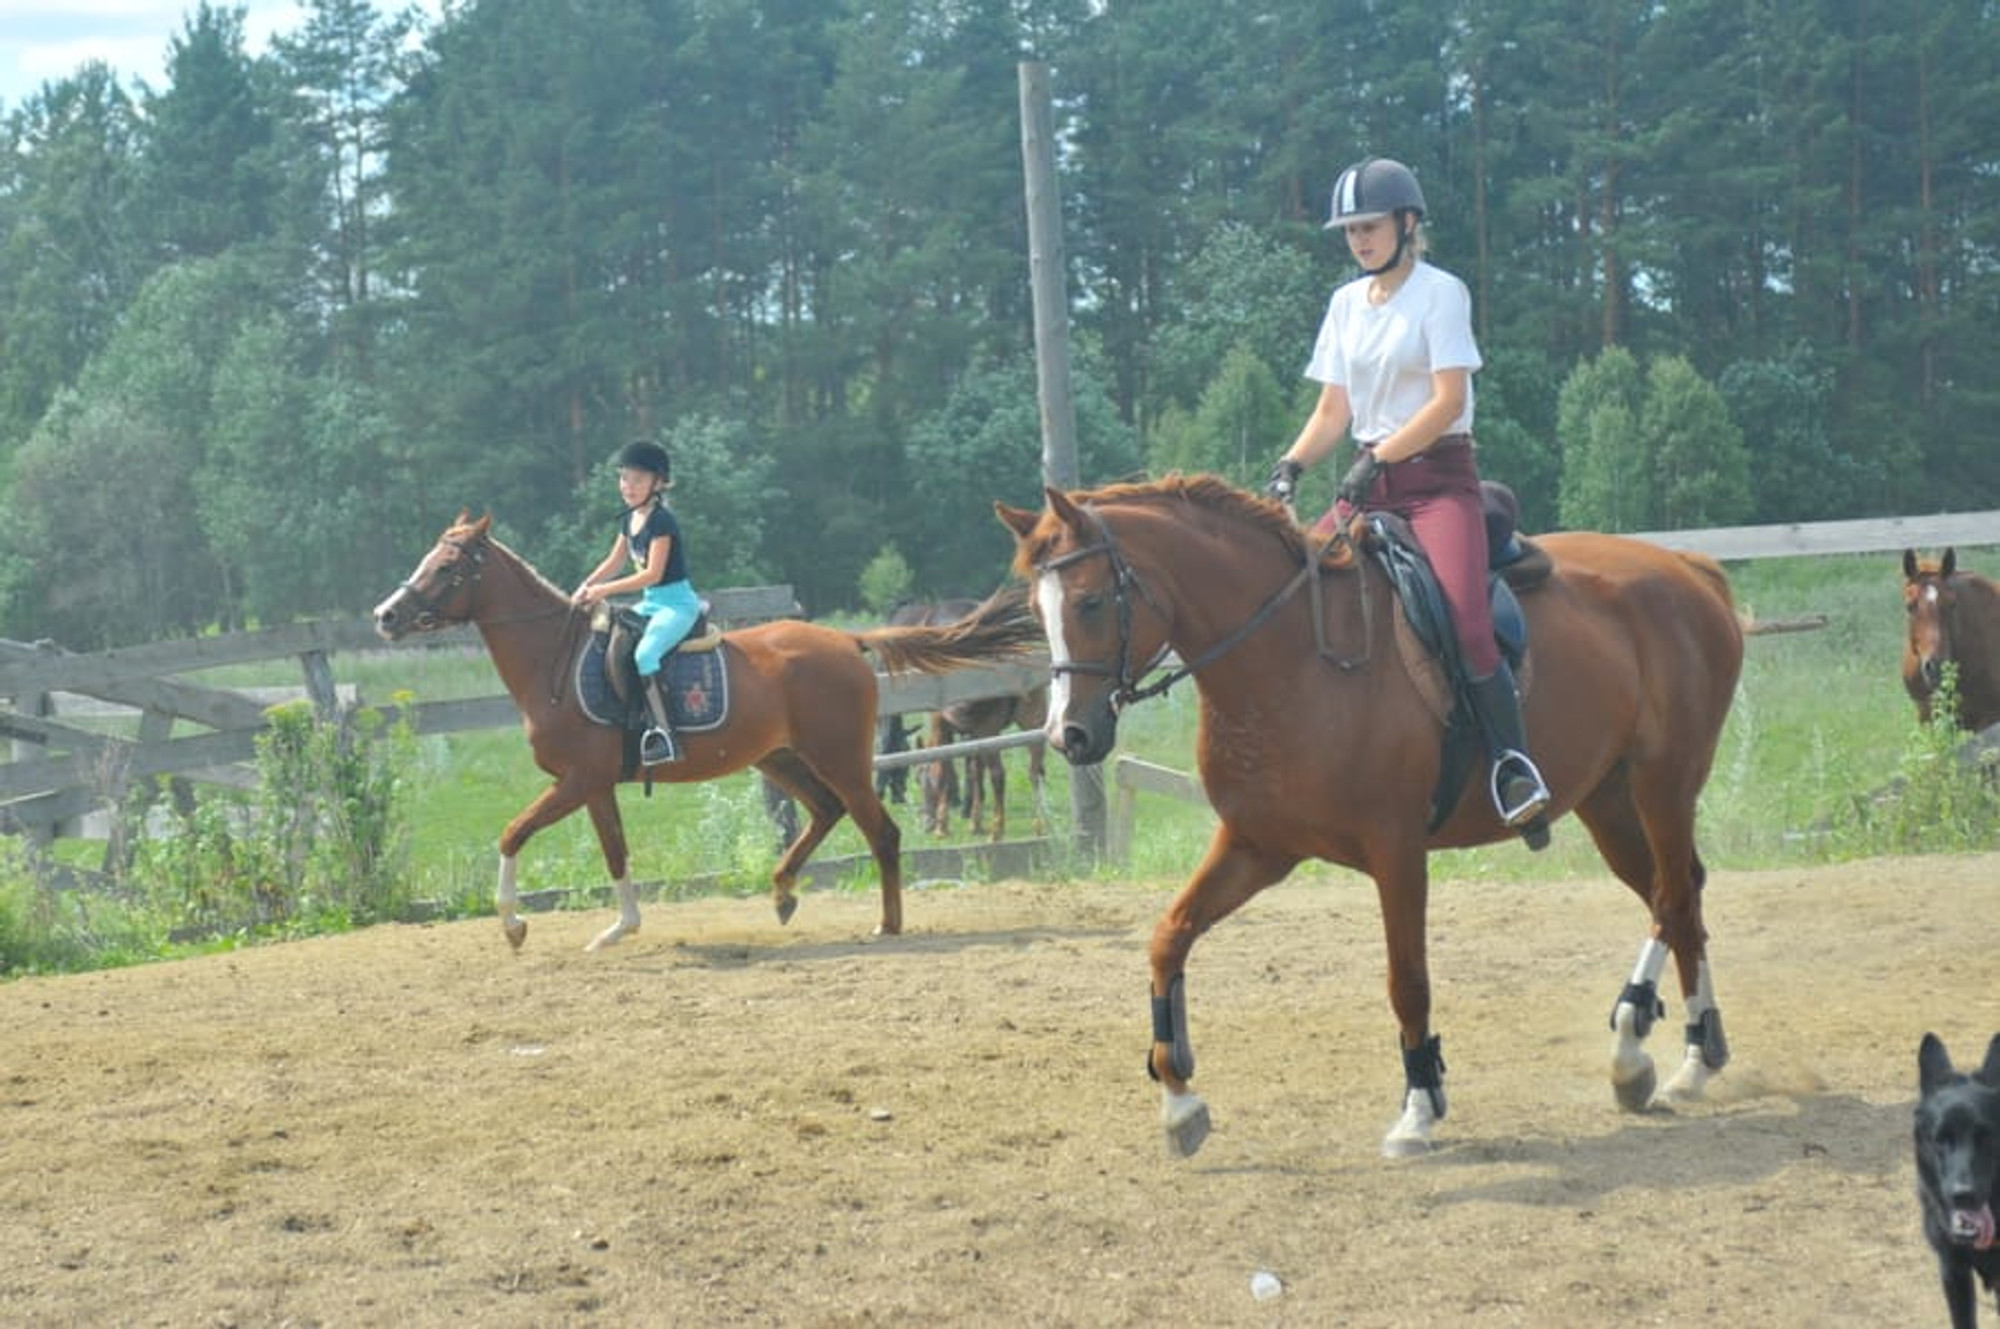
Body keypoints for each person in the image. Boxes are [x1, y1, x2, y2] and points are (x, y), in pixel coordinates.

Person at [1265, 156, 1550, 836]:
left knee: (1465, 618)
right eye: (1350, 230)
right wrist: (1291, 465)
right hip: (1370, 485)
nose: (1358, 240)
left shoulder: (1441, 292)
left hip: (1437, 484)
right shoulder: (1343, 305)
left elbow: (1448, 398)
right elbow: (1334, 410)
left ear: (1407, 222)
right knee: (1295, 591)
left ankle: (1514, 765)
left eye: (1369, 226)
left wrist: (1383, 456)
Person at [573, 440, 701, 764]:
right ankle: (626, 718)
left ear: (657, 483)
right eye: (624, 478)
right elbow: (614, 561)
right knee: (610, 639)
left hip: (677, 605)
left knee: (645, 654)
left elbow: (652, 575)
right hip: (650, 604)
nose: (628, 487)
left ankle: (664, 735)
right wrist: (586, 585)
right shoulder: (629, 518)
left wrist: (604, 591)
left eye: (638, 480)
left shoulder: (662, 521)